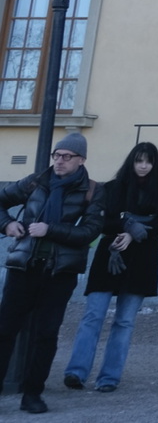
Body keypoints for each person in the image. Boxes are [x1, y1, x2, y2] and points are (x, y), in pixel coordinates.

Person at [0, 134, 106, 414]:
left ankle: (33, 393)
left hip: (60, 273)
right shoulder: (36, 181)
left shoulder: (93, 191)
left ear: (81, 160)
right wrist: (7, 225)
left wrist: (51, 229)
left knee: (46, 334)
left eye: (67, 156)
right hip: (24, 266)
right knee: (5, 330)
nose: (59, 161)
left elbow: (90, 232)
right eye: (56, 155)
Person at [64, 141, 158, 394]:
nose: (144, 166)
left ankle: (109, 378)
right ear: (131, 161)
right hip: (110, 253)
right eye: (139, 160)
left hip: (142, 258)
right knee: (93, 315)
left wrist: (134, 232)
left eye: (148, 161)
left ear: (154, 163)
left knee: (124, 321)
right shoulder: (113, 187)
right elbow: (102, 220)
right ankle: (76, 372)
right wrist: (128, 226)